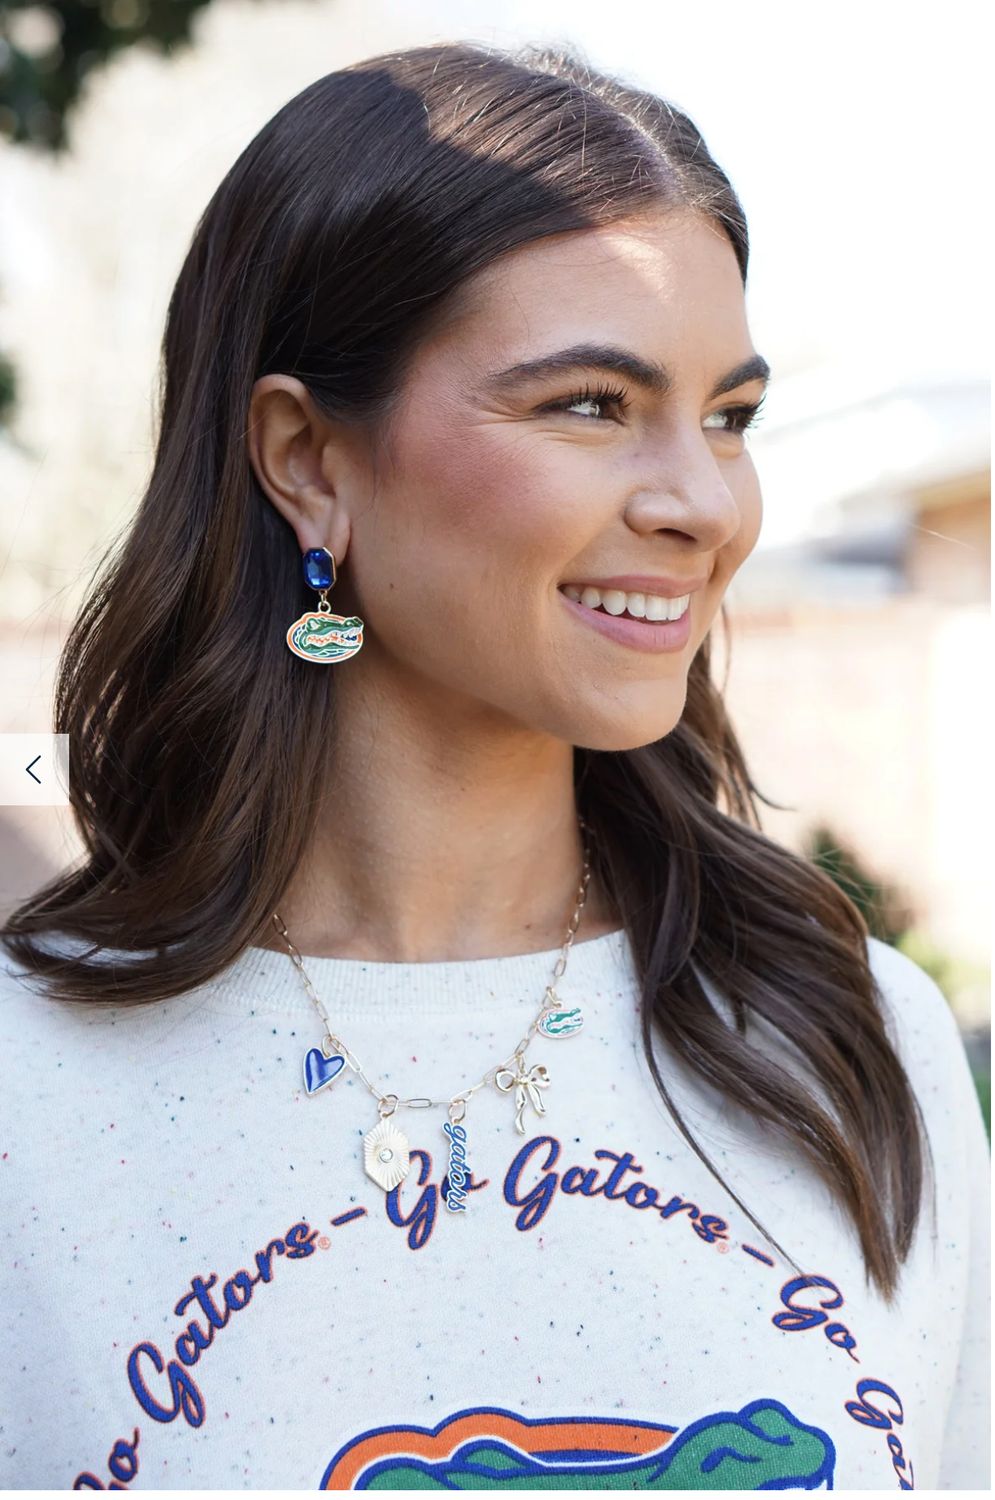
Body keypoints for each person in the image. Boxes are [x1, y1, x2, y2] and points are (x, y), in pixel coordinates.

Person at [0, 39, 988, 1493]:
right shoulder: (30, 1089)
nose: (706, 503)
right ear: (307, 459)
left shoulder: (855, 1045)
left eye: (730, 418)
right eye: (590, 402)